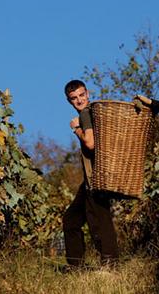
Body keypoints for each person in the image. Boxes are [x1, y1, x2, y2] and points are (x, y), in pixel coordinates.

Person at [62, 80, 119, 269]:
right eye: (74, 98)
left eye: (81, 95)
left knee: (100, 220)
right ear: (69, 101)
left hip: (97, 176)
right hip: (92, 176)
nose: (79, 100)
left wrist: (76, 128)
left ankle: (110, 264)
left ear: (87, 93)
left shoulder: (86, 114)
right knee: (71, 219)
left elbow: (90, 143)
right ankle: (76, 266)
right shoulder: (95, 113)